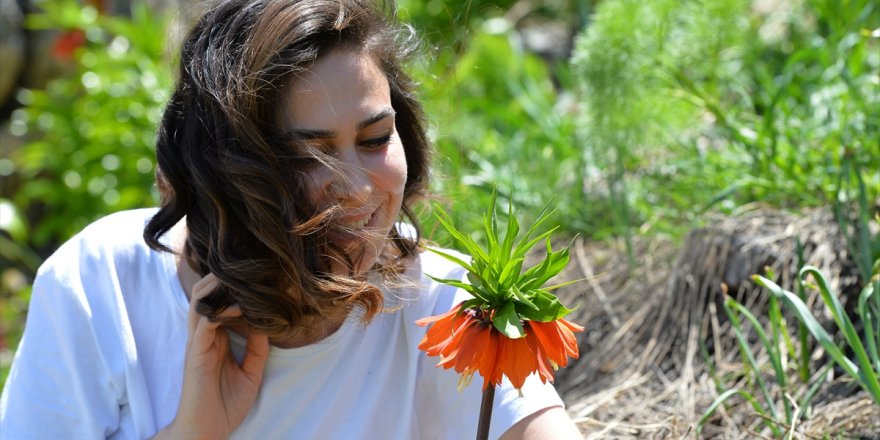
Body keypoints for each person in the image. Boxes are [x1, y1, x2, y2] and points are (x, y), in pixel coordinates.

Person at [0, 0, 584, 438]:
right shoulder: (103, 285)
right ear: (225, 169)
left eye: (376, 139)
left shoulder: (445, 303)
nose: (357, 188)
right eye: (311, 155)